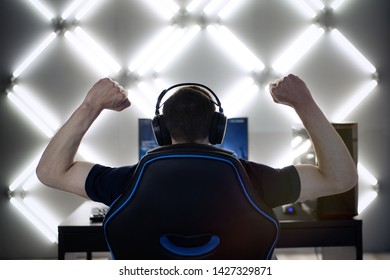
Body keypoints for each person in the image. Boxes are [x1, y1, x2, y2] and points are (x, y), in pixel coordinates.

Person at [36, 74, 358, 220]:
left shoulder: (126, 183)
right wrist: (304, 103)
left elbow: (50, 172)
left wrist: (91, 105)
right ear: (219, 129)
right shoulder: (255, 181)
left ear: (159, 131)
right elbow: (340, 178)